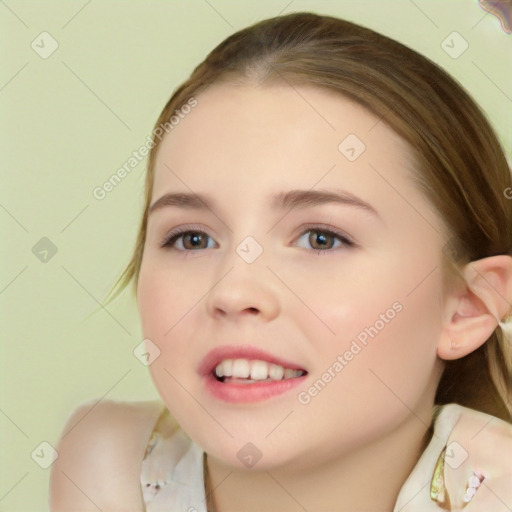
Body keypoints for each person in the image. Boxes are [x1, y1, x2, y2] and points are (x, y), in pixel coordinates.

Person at [49, 11, 512, 511]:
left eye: (320, 238)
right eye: (191, 239)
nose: (233, 291)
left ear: (467, 306)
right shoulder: (108, 462)